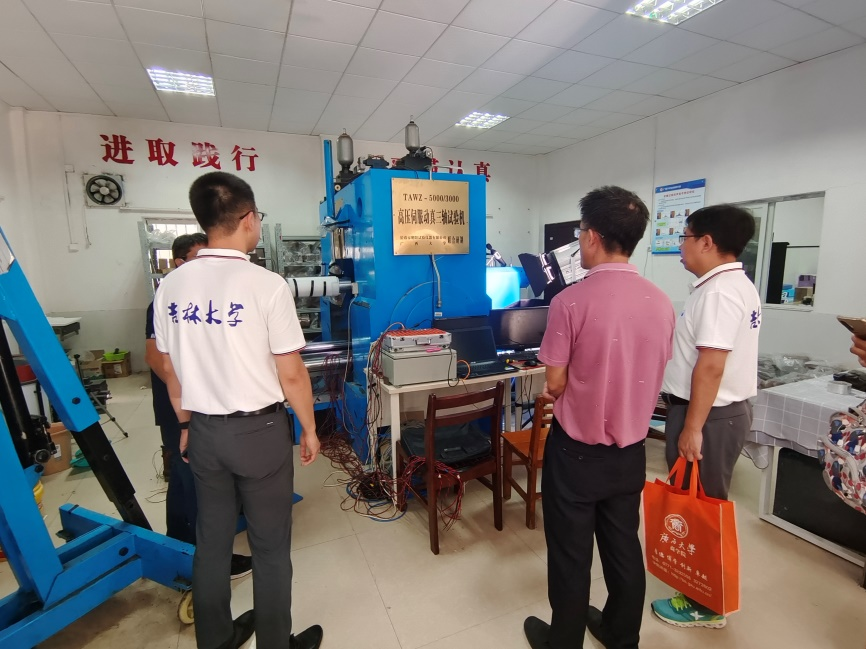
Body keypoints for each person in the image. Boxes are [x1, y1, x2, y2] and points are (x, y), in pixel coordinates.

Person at [153, 172, 323, 649]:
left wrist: (185, 425)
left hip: (204, 431)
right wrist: (309, 428)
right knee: (270, 546)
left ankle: (216, 640)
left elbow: (170, 369)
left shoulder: (171, 286)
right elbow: (292, 374)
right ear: (248, 219)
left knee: (212, 541)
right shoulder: (266, 285)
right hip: (259, 432)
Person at [524, 186, 675, 649]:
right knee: (623, 547)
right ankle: (620, 635)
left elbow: (554, 383)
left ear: (591, 237)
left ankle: (564, 642)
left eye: (579, 234)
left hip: (576, 453)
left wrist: (567, 387)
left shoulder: (571, 301)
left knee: (571, 554)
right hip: (631, 452)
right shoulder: (662, 301)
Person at [651, 204, 761, 630]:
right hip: (716, 413)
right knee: (700, 503)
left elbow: (711, 365)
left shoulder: (717, 293)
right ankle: (700, 590)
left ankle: (706, 604)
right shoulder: (732, 284)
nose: (680, 246)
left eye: (684, 237)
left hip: (709, 416)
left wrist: (692, 428)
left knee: (702, 509)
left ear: (707, 242)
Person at [145, 233, 253, 579]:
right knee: (196, 483)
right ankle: (209, 561)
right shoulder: (166, 300)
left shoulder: (203, 299)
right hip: (182, 409)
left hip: (196, 406)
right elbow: (157, 360)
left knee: (183, 479)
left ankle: (181, 544)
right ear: (179, 263)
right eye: (199, 257)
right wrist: (192, 400)